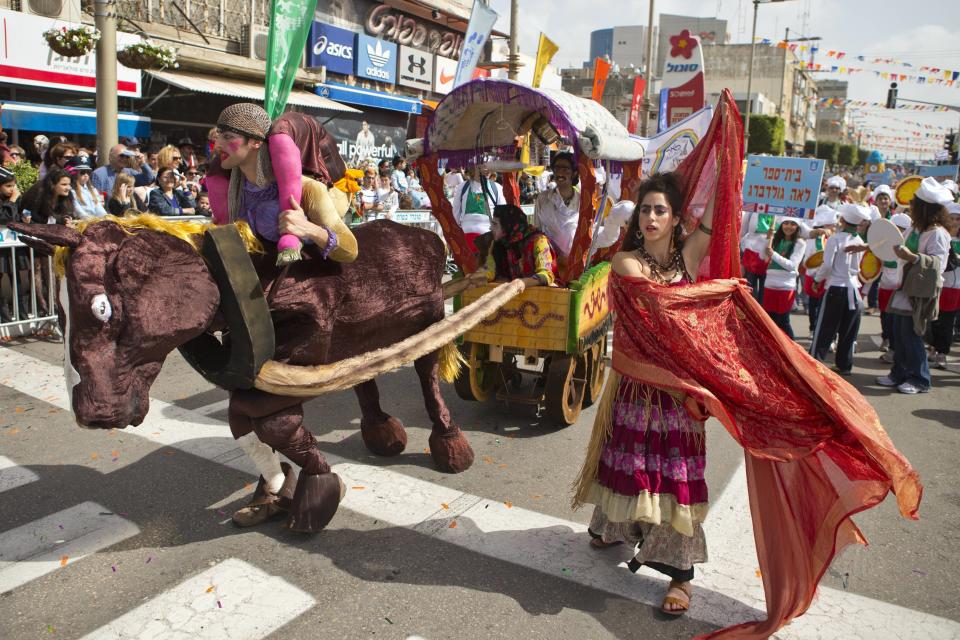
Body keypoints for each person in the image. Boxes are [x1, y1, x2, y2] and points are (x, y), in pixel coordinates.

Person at [573, 172, 715, 616]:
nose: (651, 217)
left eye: (661, 210)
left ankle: (680, 575)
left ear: (676, 219)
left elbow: (713, 220)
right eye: (646, 209)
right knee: (630, 463)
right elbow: (655, 305)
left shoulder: (689, 257)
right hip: (637, 387)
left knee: (674, 476)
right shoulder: (626, 262)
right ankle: (612, 524)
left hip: (677, 393)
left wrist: (730, 159)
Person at [205, 103, 356, 268]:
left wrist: (310, 229)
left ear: (255, 142)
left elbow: (350, 250)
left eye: (227, 137)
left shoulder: (309, 189)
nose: (217, 144)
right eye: (219, 135)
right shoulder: (229, 189)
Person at [876, 177, 952, 394]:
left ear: (924, 208)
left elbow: (939, 264)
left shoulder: (937, 233)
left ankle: (920, 379)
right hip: (903, 287)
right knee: (898, 335)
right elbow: (895, 243)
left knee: (911, 336)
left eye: (915, 203)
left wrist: (912, 257)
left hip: (919, 292)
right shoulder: (915, 228)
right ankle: (899, 373)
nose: (911, 206)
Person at [811, 202, 870, 375]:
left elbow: (827, 264)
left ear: (843, 220)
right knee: (848, 329)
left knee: (825, 328)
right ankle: (844, 364)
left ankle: (815, 362)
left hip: (836, 287)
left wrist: (817, 279)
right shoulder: (859, 240)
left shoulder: (835, 239)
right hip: (854, 288)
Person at [533, 152, 623, 261]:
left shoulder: (583, 201)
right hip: (551, 261)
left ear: (574, 173)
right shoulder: (543, 199)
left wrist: (616, 220)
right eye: (557, 168)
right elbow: (537, 229)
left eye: (565, 169)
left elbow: (590, 231)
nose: (560, 172)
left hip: (578, 262)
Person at [477, 203, 557, 287]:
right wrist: (474, 277)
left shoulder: (538, 241)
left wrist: (521, 283)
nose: (491, 228)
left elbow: (546, 274)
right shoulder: (498, 244)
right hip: (516, 291)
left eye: (495, 224)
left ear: (508, 225)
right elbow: (490, 269)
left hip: (540, 292)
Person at [926, 201, 960, 369]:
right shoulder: (940, 236)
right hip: (938, 284)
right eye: (951, 218)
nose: (954, 222)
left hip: (955, 288)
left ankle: (942, 353)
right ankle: (933, 347)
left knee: (947, 322)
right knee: (933, 320)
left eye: (958, 219)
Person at [761, 218, 805, 339]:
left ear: (798, 227)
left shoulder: (800, 243)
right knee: (770, 321)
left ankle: (792, 352)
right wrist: (767, 239)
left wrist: (773, 254)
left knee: (783, 321)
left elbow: (792, 265)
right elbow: (762, 256)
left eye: (793, 224)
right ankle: (773, 350)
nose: (789, 226)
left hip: (786, 286)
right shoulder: (775, 239)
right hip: (769, 284)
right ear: (781, 225)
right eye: (786, 223)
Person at [878, 213, 913, 359]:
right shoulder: (883, 245)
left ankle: (894, 350)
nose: (897, 233)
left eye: (901, 229)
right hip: (884, 287)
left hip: (898, 289)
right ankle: (887, 340)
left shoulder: (908, 247)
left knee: (895, 321)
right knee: (885, 317)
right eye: (894, 229)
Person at [0, 166, 30, 322]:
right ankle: (4, 319)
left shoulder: (16, 198)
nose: (12, 189)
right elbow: (4, 218)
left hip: (13, 242)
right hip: (2, 245)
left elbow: (18, 215)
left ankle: (23, 317)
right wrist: (11, 202)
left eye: (13, 185)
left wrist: (25, 217)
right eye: (8, 186)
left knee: (18, 280)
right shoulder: (10, 200)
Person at [801, 205, 837, 333]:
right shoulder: (814, 240)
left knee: (827, 307)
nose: (834, 228)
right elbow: (807, 260)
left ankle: (826, 332)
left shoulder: (836, 239)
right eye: (832, 225)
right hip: (814, 277)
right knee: (814, 304)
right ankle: (813, 328)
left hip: (830, 279)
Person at [453, 166, 505, 254]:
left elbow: (503, 215)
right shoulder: (462, 187)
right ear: (475, 167)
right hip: (466, 240)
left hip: (488, 241)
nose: (488, 169)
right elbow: (455, 213)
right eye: (484, 166)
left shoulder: (497, 188)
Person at [91, 144, 156, 195]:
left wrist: (142, 163)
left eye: (127, 156)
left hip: (127, 209)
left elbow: (149, 179)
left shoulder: (129, 172)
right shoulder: (99, 174)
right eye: (121, 156)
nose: (124, 159)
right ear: (110, 157)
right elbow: (96, 199)